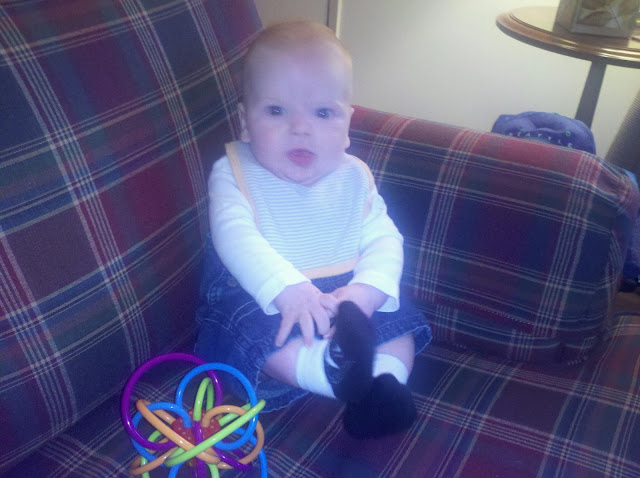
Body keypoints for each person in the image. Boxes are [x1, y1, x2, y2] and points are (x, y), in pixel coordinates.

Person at [195, 20, 431, 438]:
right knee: (257, 334)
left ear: (347, 124)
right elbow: (235, 237)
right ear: (245, 122)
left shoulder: (354, 177)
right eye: (276, 110)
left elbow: (384, 239)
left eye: (323, 112)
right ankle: (335, 376)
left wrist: (365, 293)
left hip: (346, 294)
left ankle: (385, 388)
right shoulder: (233, 173)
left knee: (399, 320)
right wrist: (288, 290)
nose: (301, 128)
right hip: (262, 292)